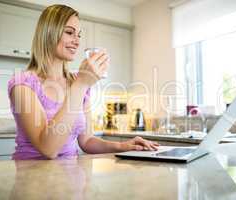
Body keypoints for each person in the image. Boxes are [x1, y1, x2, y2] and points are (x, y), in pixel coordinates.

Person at [8, 4, 159, 160]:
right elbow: (48, 149)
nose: (77, 41)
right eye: (69, 32)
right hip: (32, 178)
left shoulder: (77, 81)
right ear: (48, 33)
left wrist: (123, 146)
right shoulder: (23, 83)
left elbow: (86, 141)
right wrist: (80, 84)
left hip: (71, 176)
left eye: (79, 35)